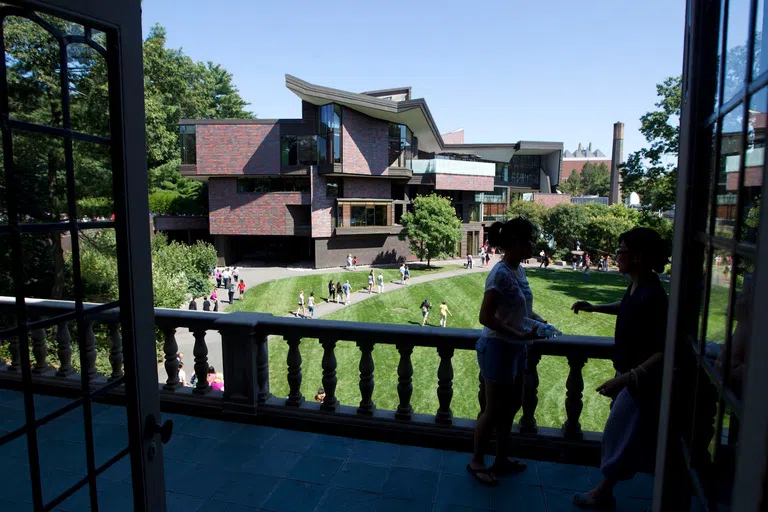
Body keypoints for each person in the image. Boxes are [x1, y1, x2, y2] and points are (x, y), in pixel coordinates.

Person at [570, 227, 669, 509]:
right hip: (629, 376)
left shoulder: (654, 296)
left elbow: (663, 350)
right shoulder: (639, 285)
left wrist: (626, 379)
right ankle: (606, 490)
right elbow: (627, 307)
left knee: (620, 434)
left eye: (621, 251)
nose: (617, 256)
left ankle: (603, 492)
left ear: (637, 257)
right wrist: (595, 308)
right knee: (624, 432)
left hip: (641, 382)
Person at [469, 218, 547, 487]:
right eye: (529, 240)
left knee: (511, 406)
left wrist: (540, 323)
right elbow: (485, 317)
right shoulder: (500, 273)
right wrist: (518, 335)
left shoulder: (518, 271)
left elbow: (522, 311)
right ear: (515, 242)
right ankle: (477, 461)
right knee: (492, 410)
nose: (533, 245)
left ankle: (501, 458)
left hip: (516, 349)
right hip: (498, 349)